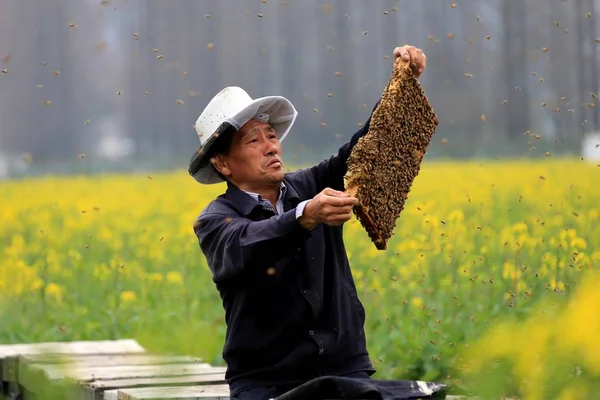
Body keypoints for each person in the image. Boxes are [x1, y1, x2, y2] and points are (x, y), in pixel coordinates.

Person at [189, 45, 427, 399]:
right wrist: (304, 216)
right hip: (266, 381)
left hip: (345, 369)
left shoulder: (310, 185)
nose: (271, 146)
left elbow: (364, 151)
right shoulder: (215, 221)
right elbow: (249, 244)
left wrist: (399, 86)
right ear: (223, 164)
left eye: (271, 135)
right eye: (254, 140)